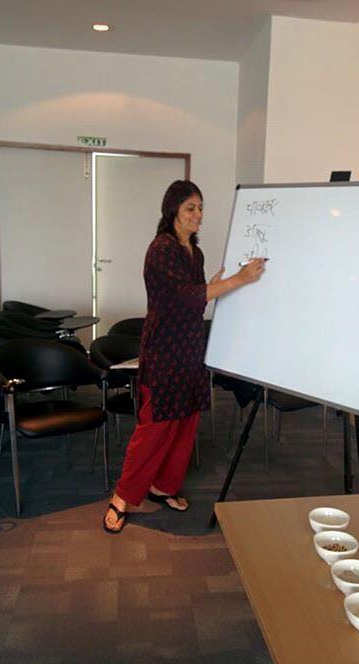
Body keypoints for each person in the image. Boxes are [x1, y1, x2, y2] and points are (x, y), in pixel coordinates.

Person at [103, 180, 265, 533]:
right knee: (155, 426)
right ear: (172, 209)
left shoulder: (195, 251)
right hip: (164, 350)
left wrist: (217, 283)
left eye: (201, 207)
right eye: (191, 207)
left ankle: (163, 486)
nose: (198, 214)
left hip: (190, 348)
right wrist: (236, 280)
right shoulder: (161, 249)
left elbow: (197, 298)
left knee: (185, 422)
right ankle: (123, 496)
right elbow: (185, 297)